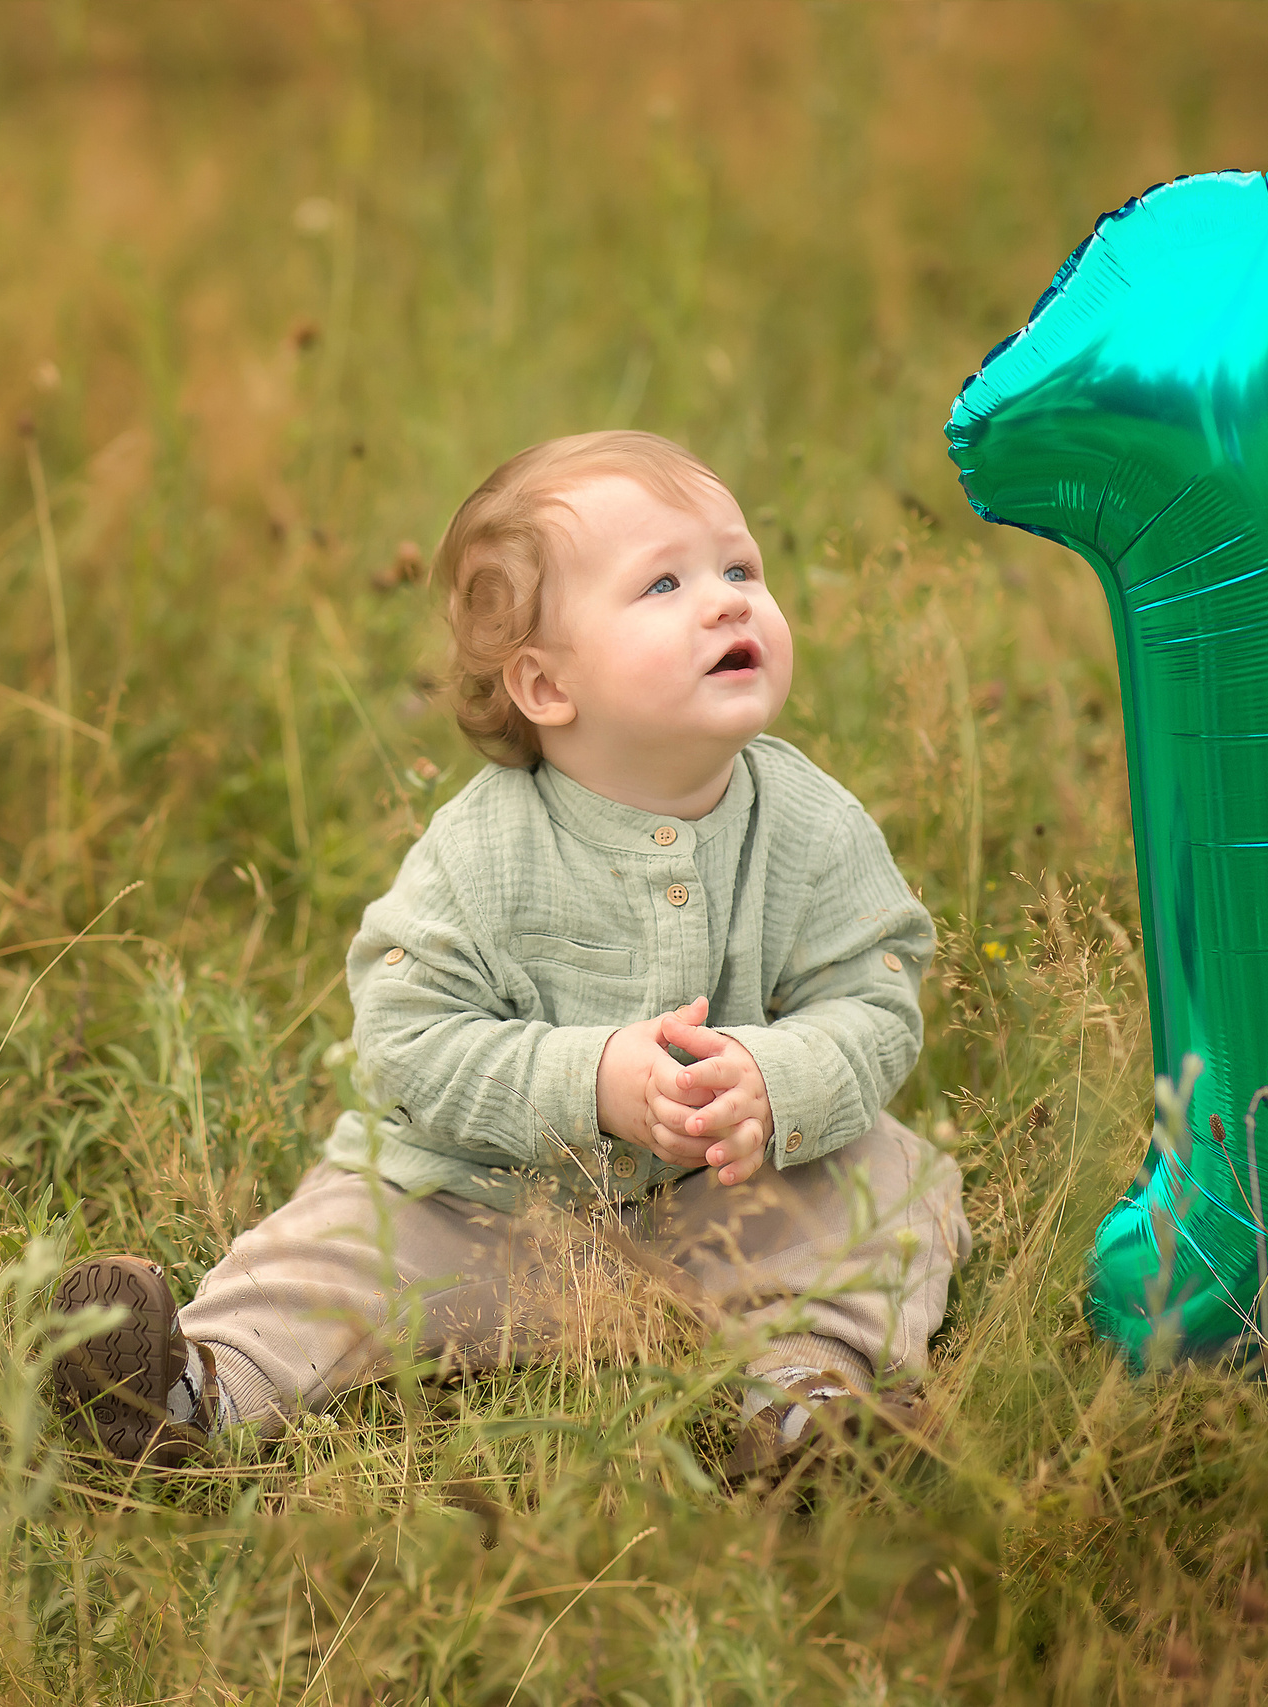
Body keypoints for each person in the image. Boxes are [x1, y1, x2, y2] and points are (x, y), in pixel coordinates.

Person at [50, 430, 968, 1483]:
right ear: (543, 684)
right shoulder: (482, 850)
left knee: (892, 1177)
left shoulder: (808, 821)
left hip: (725, 1203)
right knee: (344, 1240)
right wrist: (589, 1081)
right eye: (663, 583)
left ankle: (814, 1394)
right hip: (481, 1211)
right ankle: (186, 1391)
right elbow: (404, 1042)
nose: (726, 601)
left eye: (740, 568)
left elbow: (877, 996)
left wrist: (776, 1080)